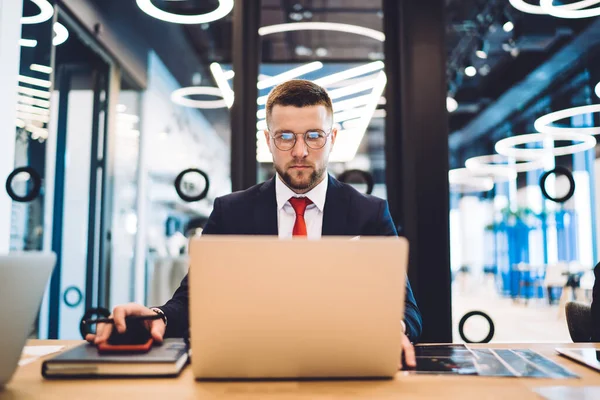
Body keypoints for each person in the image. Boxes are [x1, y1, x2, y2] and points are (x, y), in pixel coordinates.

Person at [87, 79, 422, 367]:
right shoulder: (231, 212)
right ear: (268, 139)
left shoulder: (370, 214)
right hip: (249, 368)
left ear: (332, 137)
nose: (301, 151)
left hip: (344, 366)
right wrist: (154, 317)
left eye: (314, 136)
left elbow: (406, 308)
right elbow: (193, 300)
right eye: (286, 136)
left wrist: (393, 328)